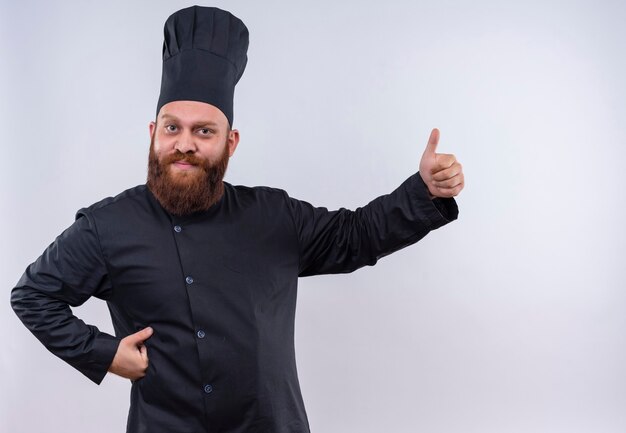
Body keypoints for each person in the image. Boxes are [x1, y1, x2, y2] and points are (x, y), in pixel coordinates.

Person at [10, 6, 464, 433]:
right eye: (172, 127)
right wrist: (106, 354)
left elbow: (358, 235)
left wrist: (425, 189)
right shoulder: (107, 226)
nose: (184, 143)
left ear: (231, 143)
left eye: (204, 131)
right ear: (153, 135)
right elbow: (33, 295)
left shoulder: (273, 215)